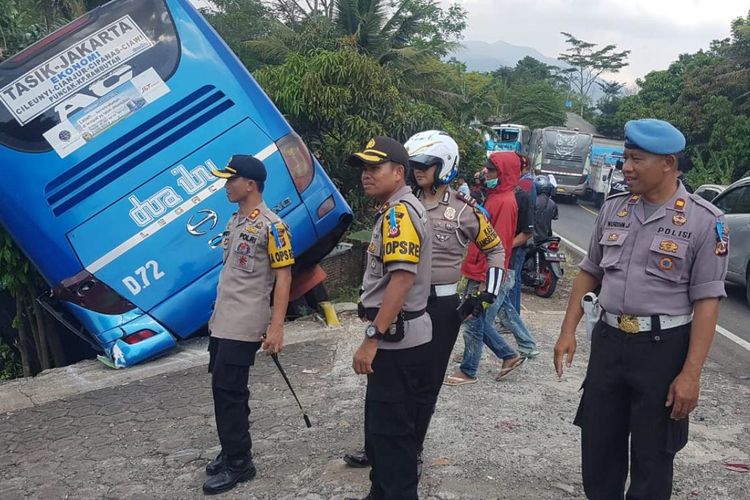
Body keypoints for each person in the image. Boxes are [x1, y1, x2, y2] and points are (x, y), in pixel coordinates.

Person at [553, 119, 729, 500]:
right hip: (609, 342)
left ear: (668, 163)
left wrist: (690, 375)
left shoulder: (703, 221)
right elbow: (589, 272)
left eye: (636, 159)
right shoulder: (615, 209)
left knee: (652, 456)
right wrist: (568, 330)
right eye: (625, 158)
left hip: (662, 348)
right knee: (598, 445)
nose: (626, 167)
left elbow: (707, 302)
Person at [347, 136, 434, 500]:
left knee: (393, 434)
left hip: (396, 342)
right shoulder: (396, 209)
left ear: (399, 173)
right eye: (364, 168)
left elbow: (401, 278)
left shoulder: (399, 214)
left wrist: (372, 337)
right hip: (399, 338)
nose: (367, 175)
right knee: (382, 430)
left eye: (374, 167)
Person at [202, 155, 294, 495]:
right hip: (223, 320)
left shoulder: (273, 226)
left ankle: (240, 463)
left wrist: (277, 326)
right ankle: (231, 449)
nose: (226, 186)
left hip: (244, 323)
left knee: (229, 391)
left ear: (250, 184)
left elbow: (283, 278)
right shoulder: (236, 221)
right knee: (224, 390)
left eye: (231, 180)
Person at [445, 152, 526, 385]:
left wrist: (485, 281)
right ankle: (509, 355)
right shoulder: (496, 197)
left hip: (484, 271)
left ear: (503, 174)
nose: (486, 173)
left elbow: (497, 246)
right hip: (477, 268)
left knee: (472, 320)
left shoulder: (504, 201)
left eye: (491, 170)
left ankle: (469, 369)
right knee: (474, 318)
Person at [533, 175, 558, 244]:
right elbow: (554, 216)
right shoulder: (552, 203)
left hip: (531, 238)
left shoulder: (532, 201)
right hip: (546, 238)